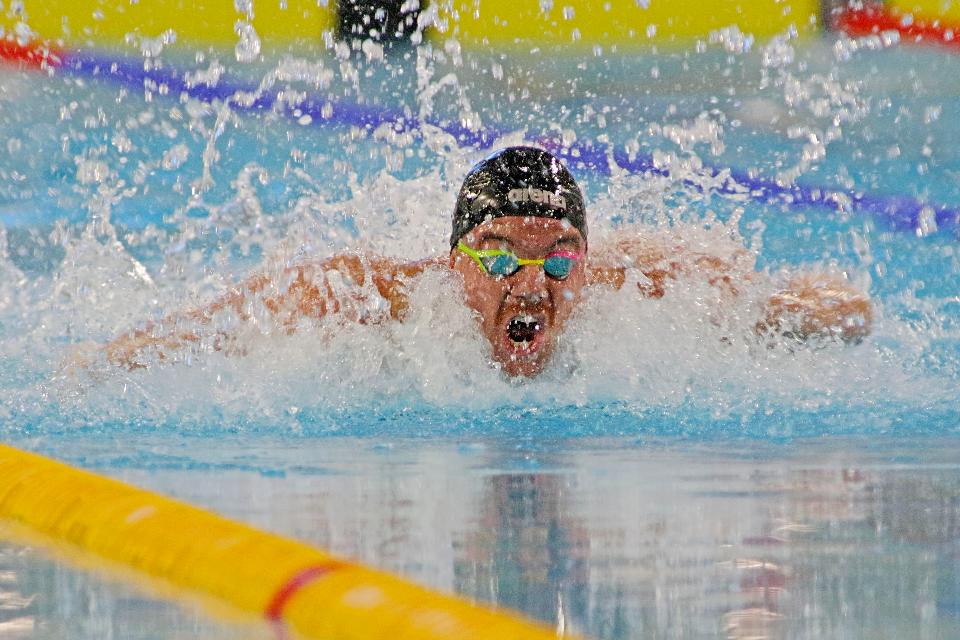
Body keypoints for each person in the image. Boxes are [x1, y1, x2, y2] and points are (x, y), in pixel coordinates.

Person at [93, 146, 872, 378]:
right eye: (499, 258)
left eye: (559, 262)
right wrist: (110, 361)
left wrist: (821, 314)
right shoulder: (377, 300)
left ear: (587, 262)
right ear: (455, 259)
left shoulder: (642, 290)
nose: (531, 284)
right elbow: (206, 331)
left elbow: (824, 306)